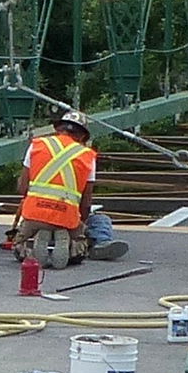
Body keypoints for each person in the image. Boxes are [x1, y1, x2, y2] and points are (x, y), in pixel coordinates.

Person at [14, 109, 129, 264]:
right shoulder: (87, 155)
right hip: (67, 219)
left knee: (22, 239)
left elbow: (22, 188)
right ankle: (91, 245)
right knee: (100, 220)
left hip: (35, 216)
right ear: (82, 136)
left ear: (58, 129)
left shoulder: (37, 145)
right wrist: (79, 223)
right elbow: (86, 204)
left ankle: (27, 245)